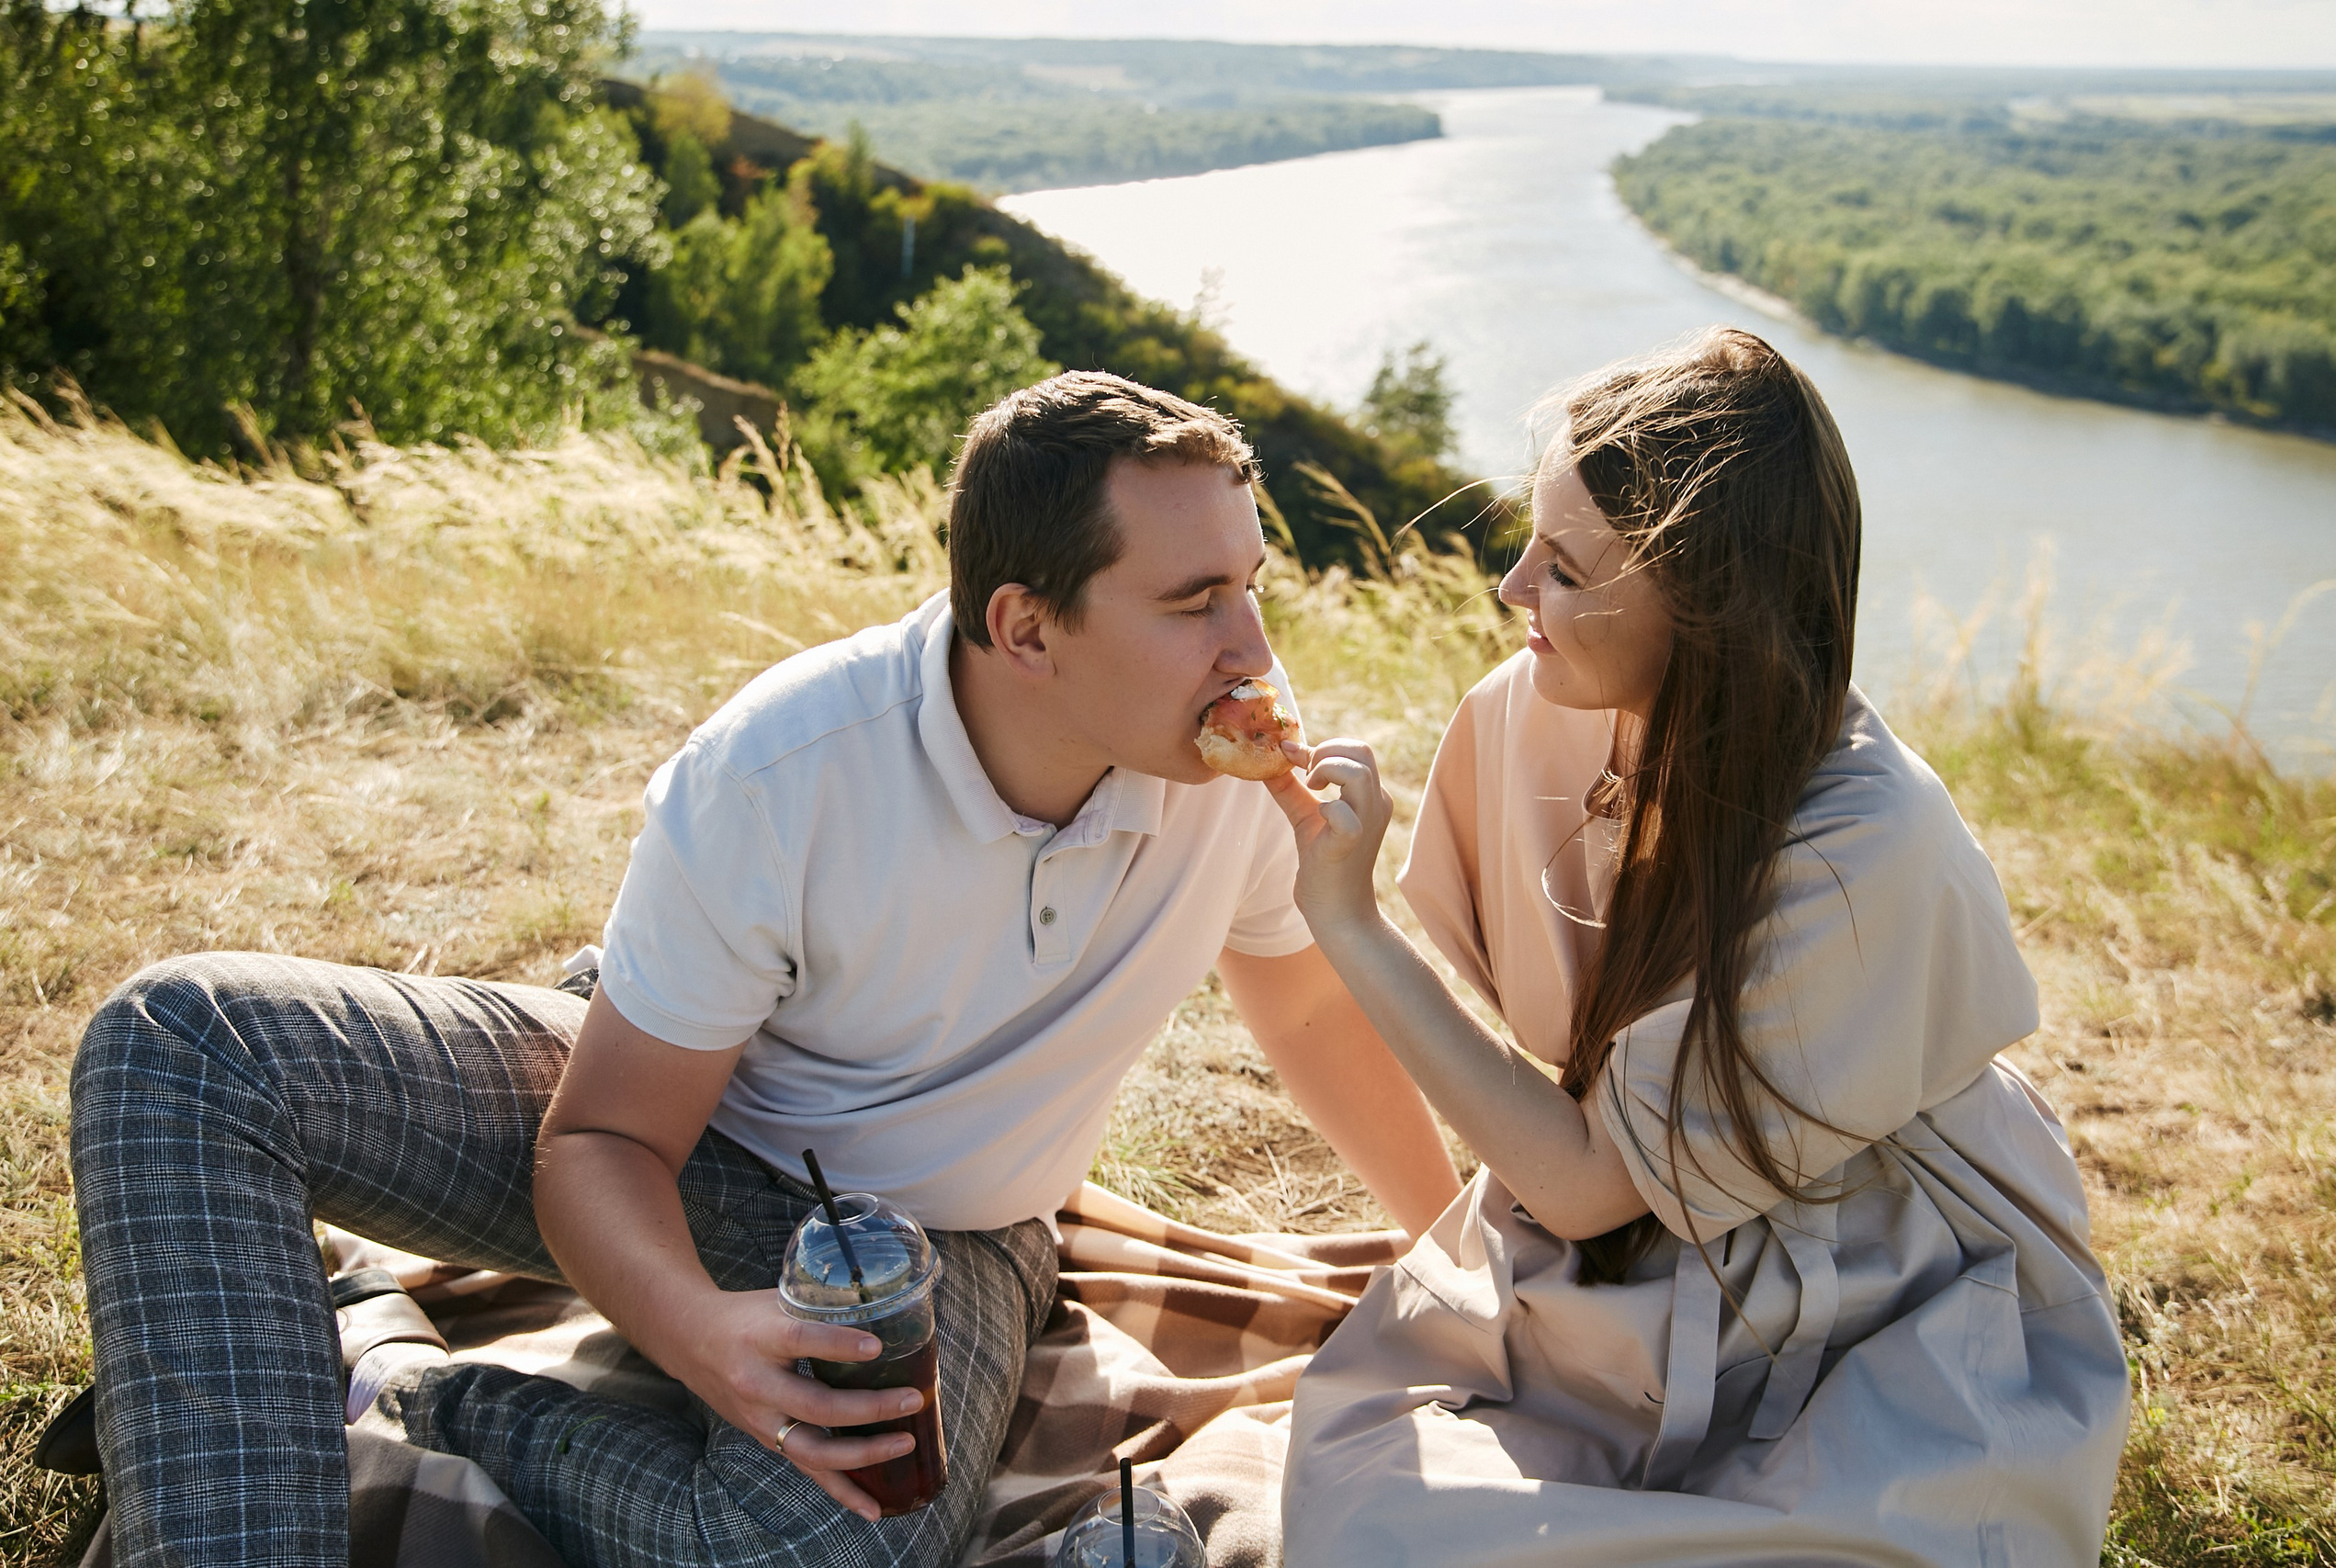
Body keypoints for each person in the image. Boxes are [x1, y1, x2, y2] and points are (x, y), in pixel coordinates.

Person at [62, 371, 1462, 1568]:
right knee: (182, 1043)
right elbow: (607, 1136)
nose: (1251, 651)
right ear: (1029, 628)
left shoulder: (1233, 777)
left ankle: (400, 1381)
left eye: (1252, 589)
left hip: (945, 1225)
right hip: (671, 1106)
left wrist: (1461, 1265)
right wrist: (694, 1333)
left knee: (819, 1546)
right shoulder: (784, 771)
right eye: (1196, 601)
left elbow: (1308, 1008)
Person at [1269, 329, 2130, 1564]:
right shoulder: (1534, 712)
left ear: (1706, 603)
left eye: (1565, 567)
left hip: (1885, 1273)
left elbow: (1582, 1178)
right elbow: (1578, 1138)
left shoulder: (1865, 847)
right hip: (1629, 1241)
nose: (1513, 589)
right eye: (1531, 543)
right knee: (1364, 1502)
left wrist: (1349, 922)